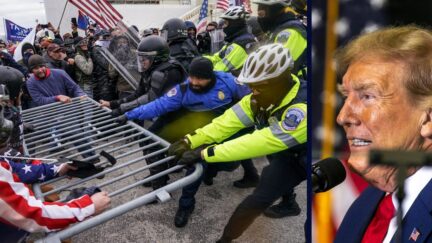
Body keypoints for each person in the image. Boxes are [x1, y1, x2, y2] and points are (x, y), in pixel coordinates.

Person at [169, 44, 307, 241]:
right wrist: (190, 140)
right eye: (250, 85)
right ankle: (225, 240)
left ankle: (290, 203)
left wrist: (205, 153)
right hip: (289, 156)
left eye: (258, 85)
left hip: (312, 155)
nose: (252, 91)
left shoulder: (302, 108)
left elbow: (258, 142)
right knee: (253, 203)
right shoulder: (256, 98)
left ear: (280, 80)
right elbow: (225, 123)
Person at [116, 57, 255, 227]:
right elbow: (158, 105)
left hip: (223, 128)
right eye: (192, 77)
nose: (194, 82)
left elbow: (251, 103)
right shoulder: (183, 89)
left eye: (200, 78)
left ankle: (199, 188)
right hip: (194, 129)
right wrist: (129, 114)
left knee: (221, 164)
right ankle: (174, 194)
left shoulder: (228, 82)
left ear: (211, 76)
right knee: (186, 157)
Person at [334, 26, 432, 243]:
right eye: (346, 97)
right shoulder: (368, 202)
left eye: (367, 96)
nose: (343, 117)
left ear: (428, 119)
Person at [25, 54, 97, 160]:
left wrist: (81, 95)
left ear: (45, 65)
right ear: (31, 70)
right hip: (48, 113)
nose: (40, 70)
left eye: (41, 66)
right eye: (35, 68)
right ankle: (29, 162)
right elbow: (39, 101)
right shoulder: (31, 82)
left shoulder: (60, 73)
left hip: (66, 110)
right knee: (28, 133)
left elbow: (74, 87)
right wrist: (58, 97)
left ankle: (92, 159)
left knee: (76, 134)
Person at [99, 35, 186, 116]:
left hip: (180, 116)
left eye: (144, 59)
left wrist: (121, 110)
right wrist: (112, 104)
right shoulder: (150, 70)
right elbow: (138, 93)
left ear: (156, 59)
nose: (141, 62)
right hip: (165, 112)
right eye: (140, 59)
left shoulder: (168, 72)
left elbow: (149, 99)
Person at [253, 0, 307, 78]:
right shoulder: (277, 30)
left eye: (262, 14)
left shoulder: (289, 32)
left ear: (274, 10)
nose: (259, 18)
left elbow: (278, 68)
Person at [205, 6, 257, 77]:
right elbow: (216, 57)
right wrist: (198, 59)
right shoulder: (235, 41)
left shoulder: (240, 45)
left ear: (235, 24)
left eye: (226, 23)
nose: (223, 27)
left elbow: (218, 71)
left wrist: (200, 70)